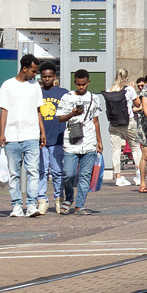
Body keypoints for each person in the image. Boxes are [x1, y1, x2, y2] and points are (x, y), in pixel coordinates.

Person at [0, 55, 44, 218]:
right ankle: (16, 205)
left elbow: (38, 110)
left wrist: (42, 131)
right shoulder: (8, 85)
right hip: (12, 136)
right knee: (14, 173)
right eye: (33, 71)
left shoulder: (35, 86)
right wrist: (2, 133)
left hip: (31, 135)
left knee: (33, 171)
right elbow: (4, 110)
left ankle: (31, 205)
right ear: (24, 68)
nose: (35, 74)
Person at [57, 70, 105, 215]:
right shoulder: (67, 97)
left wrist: (99, 141)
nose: (81, 87)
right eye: (78, 84)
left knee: (85, 175)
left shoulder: (94, 98)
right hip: (71, 141)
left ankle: (80, 205)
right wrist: (72, 114)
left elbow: (96, 121)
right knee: (68, 174)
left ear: (88, 82)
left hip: (89, 141)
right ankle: (68, 198)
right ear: (75, 83)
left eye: (84, 84)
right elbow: (60, 118)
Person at [35, 62, 66, 215]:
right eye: (44, 76)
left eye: (49, 76)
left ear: (54, 76)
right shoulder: (36, 92)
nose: (47, 79)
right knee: (41, 171)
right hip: (40, 139)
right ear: (40, 77)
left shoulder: (63, 93)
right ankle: (41, 200)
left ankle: (59, 199)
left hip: (58, 138)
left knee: (57, 171)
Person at [106, 69, 136, 186]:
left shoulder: (110, 90)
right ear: (126, 77)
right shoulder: (129, 89)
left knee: (115, 150)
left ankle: (118, 176)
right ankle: (139, 174)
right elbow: (137, 104)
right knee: (135, 148)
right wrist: (132, 88)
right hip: (128, 122)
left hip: (114, 123)